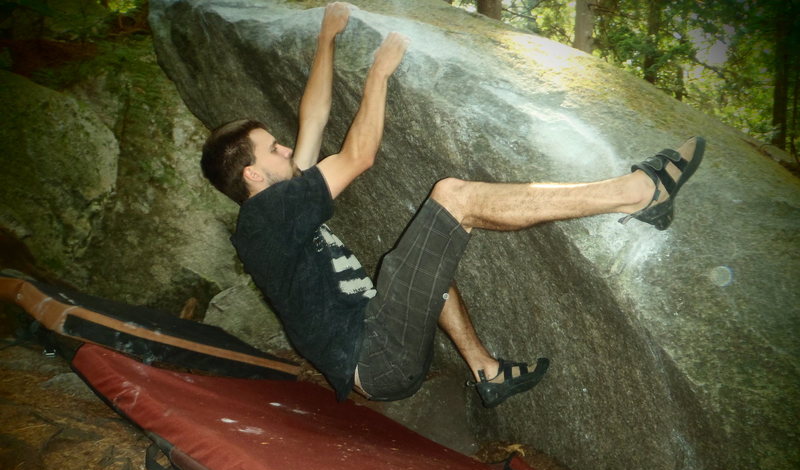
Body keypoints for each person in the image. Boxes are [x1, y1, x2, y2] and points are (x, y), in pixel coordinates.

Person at [200, 3, 705, 408]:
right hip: (375, 357)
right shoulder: (267, 215)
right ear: (252, 174)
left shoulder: (274, 211)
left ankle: (488, 372)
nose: (286, 149)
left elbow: (313, 120)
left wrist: (326, 38)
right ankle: (639, 192)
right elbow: (358, 156)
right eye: (273, 149)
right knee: (451, 197)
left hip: (379, 354)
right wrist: (379, 74)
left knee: (426, 260)